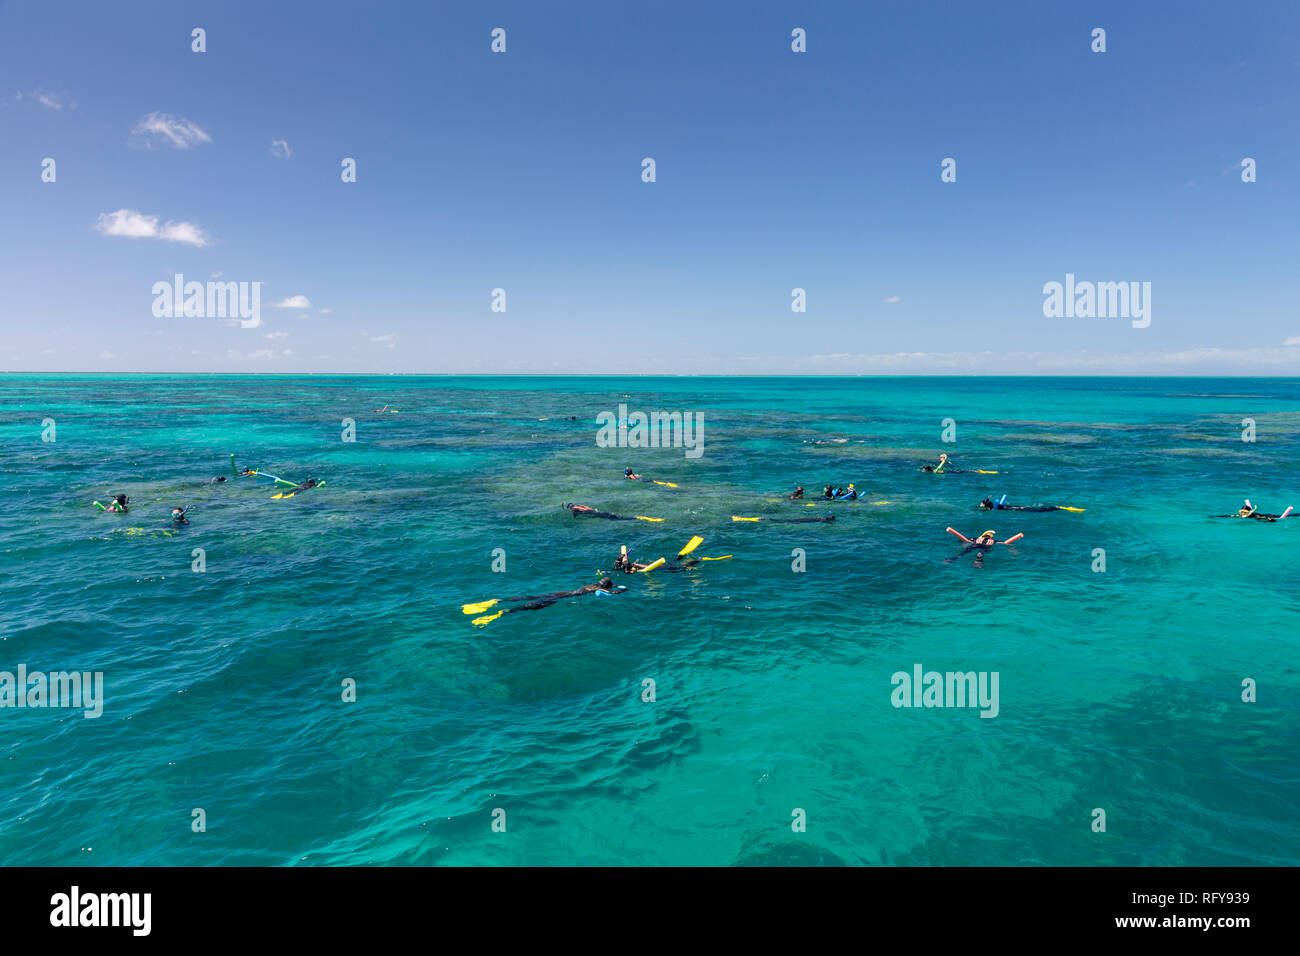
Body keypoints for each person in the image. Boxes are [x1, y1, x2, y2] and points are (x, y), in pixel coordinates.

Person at [945, 527, 1023, 568]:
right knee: (983, 551)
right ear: (991, 538)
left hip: (976, 543)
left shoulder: (976, 538)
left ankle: (956, 557)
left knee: (967, 551)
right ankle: (979, 557)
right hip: (988, 545)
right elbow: (1005, 543)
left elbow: (965, 540)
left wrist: (963, 543)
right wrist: (1018, 536)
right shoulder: (993, 541)